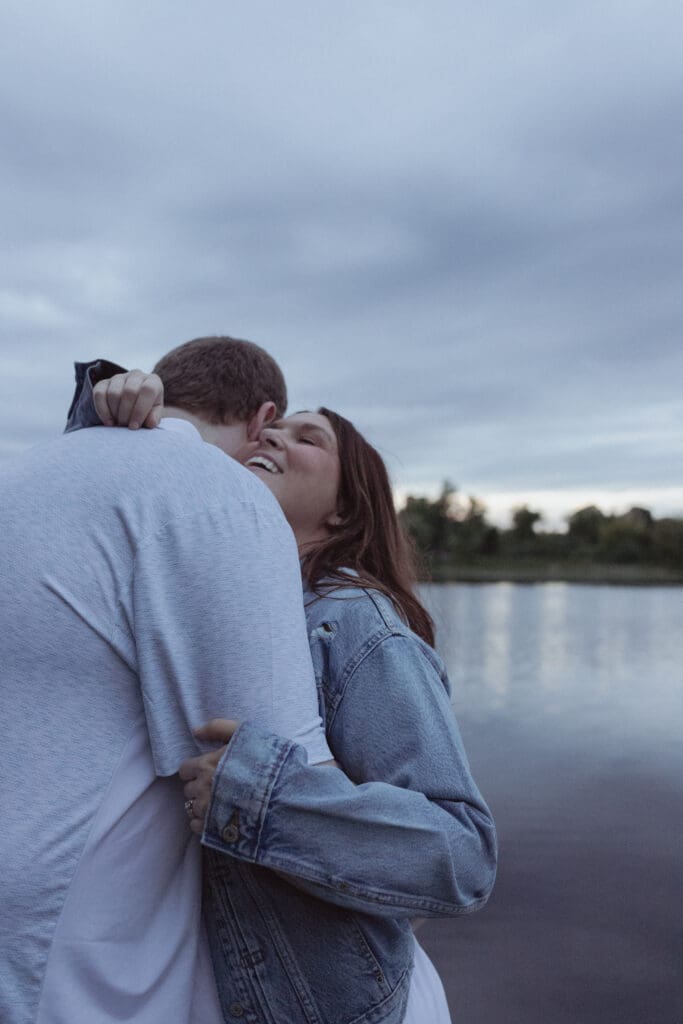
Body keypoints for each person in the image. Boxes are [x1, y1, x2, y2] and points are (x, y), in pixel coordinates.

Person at [82, 368, 498, 1024]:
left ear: (343, 508)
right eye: (273, 427)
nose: (274, 435)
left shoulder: (356, 621)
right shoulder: (222, 599)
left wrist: (266, 800)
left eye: (308, 437)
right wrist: (116, 417)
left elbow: (461, 853)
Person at [0, 337, 332, 1024]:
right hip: (70, 962)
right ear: (262, 417)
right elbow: (278, 778)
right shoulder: (220, 495)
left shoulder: (23, 473)